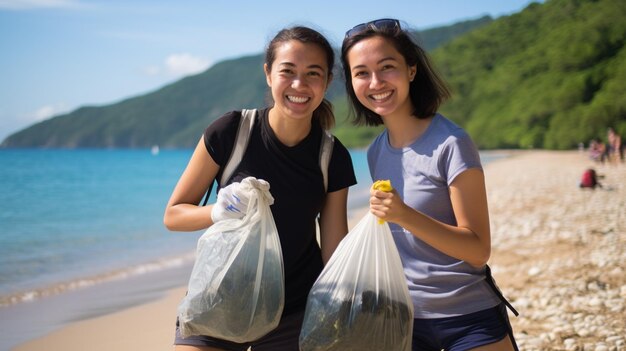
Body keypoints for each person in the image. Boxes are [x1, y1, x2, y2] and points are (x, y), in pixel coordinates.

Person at [164, 26, 357, 351]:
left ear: (327, 82)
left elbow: (333, 251)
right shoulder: (231, 132)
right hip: (218, 298)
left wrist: (347, 303)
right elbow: (173, 216)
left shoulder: (331, 156)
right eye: (288, 71)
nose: (300, 84)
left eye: (313, 73)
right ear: (268, 74)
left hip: (294, 312)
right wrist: (217, 211)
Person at [341, 19, 518, 351]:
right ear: (352, 83)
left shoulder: (451, 142)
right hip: (404, 321)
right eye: (361, 72)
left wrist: (405, 215)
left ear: (411, 70)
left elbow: (478, 250)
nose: (375, 82)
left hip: (468, 317)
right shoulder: (376, 151)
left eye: (387, 67)